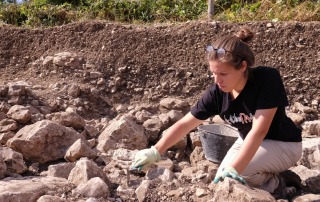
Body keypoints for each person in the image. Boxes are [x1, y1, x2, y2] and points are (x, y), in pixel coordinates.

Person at [131, 26, 302, 196]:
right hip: (248, 142)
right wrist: (156, 150)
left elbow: (259, 131)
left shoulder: (266, 78)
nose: (217, 80)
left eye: (223, 74)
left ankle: (277, 185)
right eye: (213, 73)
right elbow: (185, 124)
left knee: (237, 174)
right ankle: (271, 177)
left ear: (243, 66)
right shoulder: (217, 93)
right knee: (223, 177)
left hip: (284, 144)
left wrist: (235, 169)